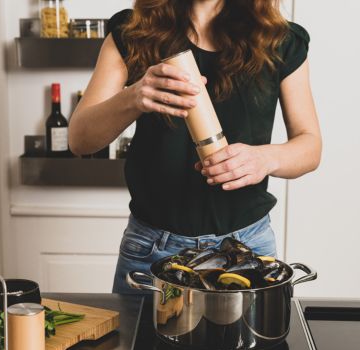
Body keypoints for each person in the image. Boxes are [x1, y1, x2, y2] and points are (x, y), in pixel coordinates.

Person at [69, 0, 321, 294]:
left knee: (257, 341)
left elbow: (310, 145)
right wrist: (134, 97)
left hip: (248, 248)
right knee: (136, 342)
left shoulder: (280, 39)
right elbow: (79, 139)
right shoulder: (133, 31)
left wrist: (266, 158)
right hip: (152, 249)